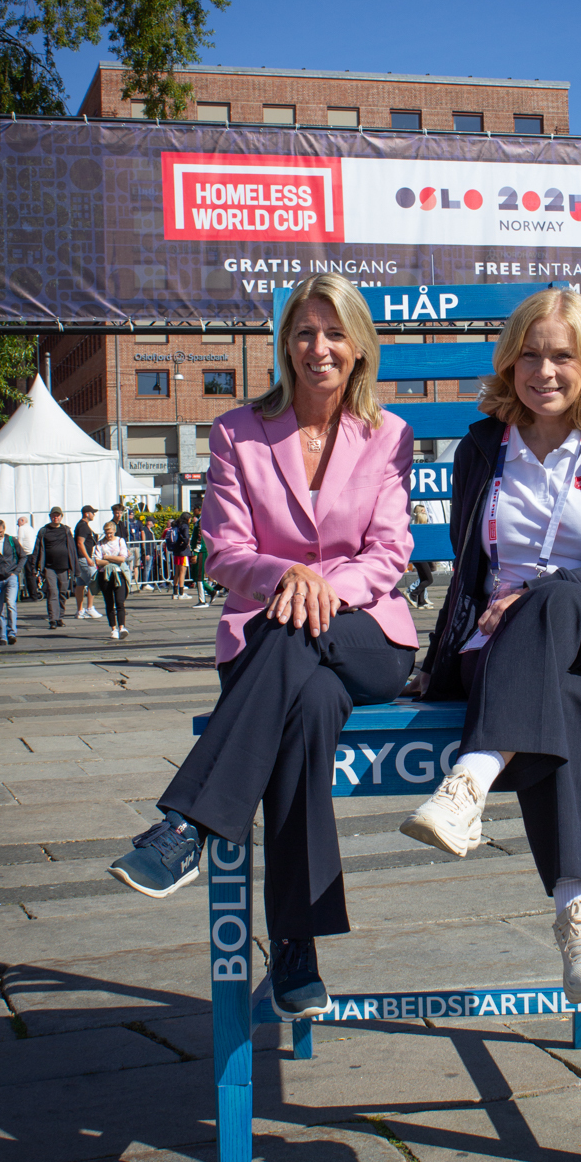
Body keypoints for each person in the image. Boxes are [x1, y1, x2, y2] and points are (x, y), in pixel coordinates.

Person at [108, 273, 417, 1022]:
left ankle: (190, 823)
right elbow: (223, 551)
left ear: (358, 347)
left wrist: (320, 588)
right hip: (281, 645)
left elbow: (390, 552)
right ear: (285, 346)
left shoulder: (389, 435)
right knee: (304, 709)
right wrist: (289, 575)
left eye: (334, 333)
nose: (319, 348)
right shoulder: (236, 432)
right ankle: (296, 952)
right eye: (305, 333)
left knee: (292, 635)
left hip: (367, 636)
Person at [400, 289, 581, 1005]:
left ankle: (471, 779)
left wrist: (548, 587)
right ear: (510, 360)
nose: (545, 370)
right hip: (511, 650)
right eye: (531, 353)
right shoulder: (483, 447)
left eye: (563, 355)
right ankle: (578, 917)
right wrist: (436, 662)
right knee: (561, 695)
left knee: (551, 598)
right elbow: (468, 569)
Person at [33, 509, 77, 629]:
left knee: (63, 593)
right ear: (50, 516)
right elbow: (37, 549)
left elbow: (72, 549)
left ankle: (60, 617)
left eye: (58, 516)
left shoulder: (66, 530)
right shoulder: (44, 531)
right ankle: (53, 619)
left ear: (61, 517)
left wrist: (75, 567)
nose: (55, 518)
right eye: (53, 515)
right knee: (52, 592)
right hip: (49, 567)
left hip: (64, 567)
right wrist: (35, 567)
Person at [93, 521, 130, 640]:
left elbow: (122, 559)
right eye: (106, 533)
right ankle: (113, 628)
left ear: (114, 531)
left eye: (110, 533)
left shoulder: (120, 541)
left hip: (118, 574)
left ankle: (122, 627)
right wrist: (114, 560)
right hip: (104, 575)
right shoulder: (100, 543)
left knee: (120, 601)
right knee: (109, 602)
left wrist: (107, 557)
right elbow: (98, 562)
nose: (108, 535)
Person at [74, 505, 102, 620]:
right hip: (84, 559)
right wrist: (88, 558)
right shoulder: (83, 526)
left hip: (81, 558)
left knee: (80, 584)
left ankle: (80, 610)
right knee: (94, 581)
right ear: (87, 513)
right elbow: (80, 543)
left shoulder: (82, 526)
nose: (93, 515)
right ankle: (89, 608)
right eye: (92, 513)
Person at [408, 503, 434, 608]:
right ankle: (412, 593)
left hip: (416, 555)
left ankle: (421, 601)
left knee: (423, 578)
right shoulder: (421, 526)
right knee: (429, 579)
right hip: (421, 555)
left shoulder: (413, 526)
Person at [190, 510, 212, 608]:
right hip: (201, 550)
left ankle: (202, 600)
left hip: (201, 551)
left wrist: (195, 552)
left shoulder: (201, 521)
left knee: (199, 577)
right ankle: (212, 591)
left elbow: (199, 538)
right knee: (197, 577)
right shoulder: (202, 520)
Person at [168, 512, 192, 598]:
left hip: (176, 550)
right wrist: (186, 546)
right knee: (183, 571)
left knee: (177, 571)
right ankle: (181, 592)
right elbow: (186, 538)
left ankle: (175, 592)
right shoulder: (185, 526)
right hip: (183, 551)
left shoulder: (176, 524)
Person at [15, 515, 38, 601]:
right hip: (33, 552)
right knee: (32, 573)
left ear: (22, 521)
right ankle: (34, 593)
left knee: (28, 575)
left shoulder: (21, 528)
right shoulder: (31, 528)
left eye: (18, 522)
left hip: (27, 553)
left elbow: (19, 541)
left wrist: (18, 553)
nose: (17, 525)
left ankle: (33, 595)